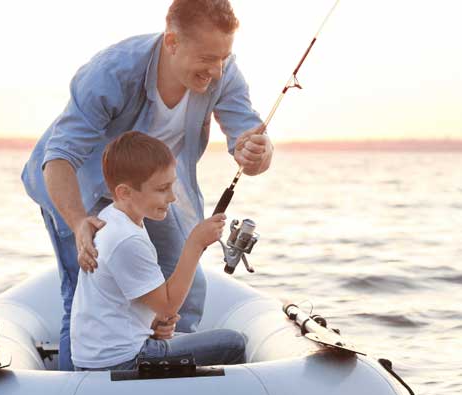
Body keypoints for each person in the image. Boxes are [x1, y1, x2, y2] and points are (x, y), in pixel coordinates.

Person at [20, 0, 273, 370]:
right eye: (207, 58)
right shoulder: (112, 72)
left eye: (223, 58)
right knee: (81, 295)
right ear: (172, 42)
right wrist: (77, 222)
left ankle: (165, 384)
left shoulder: (224, 72)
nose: (216, 71)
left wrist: (258, 155)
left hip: (149, 192)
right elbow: (60, 157)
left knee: (186, 288)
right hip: (78, 187)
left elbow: (249, 147)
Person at [72, 131, 246, 371]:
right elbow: (168, 306)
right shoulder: (127, 239)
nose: (173, 197)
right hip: (121, 361)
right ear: (125, 192)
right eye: (162, 188)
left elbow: (129, 301)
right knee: (232, 343)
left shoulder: (113, 217)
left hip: (106, 354)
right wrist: (195, 242)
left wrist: (152, 324)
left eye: (172, 185)